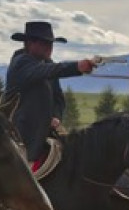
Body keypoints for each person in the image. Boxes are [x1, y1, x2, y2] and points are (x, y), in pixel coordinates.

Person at [4, 21, 95, 163]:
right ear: (30, 43)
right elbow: (50, 71)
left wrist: (56, 116)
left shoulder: (47, 63)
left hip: (45, 135)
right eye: (44, 43)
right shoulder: (21, 62)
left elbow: (58, 99)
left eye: (51, 43)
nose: (49, 48)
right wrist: (76, 67)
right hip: (22, 138)